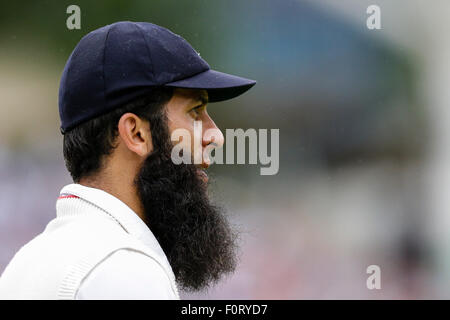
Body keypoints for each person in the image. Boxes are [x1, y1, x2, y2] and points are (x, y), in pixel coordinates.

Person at [0, 21, 255, 299]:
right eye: (195, 111)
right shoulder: (124, 268)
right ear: (136, 133)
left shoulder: (25, 264)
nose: (216, 136)